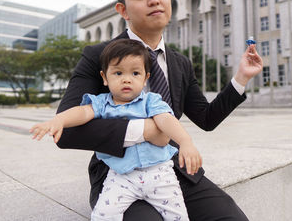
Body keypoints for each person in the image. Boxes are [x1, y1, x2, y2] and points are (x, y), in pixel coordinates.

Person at [55, 0, 263, 220]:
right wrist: (146, 130)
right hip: (117, 176)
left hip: (174, 171)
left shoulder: (180, 63)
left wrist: (241, 78)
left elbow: (206, 118)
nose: (153, 0)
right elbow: (64, 131)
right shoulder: (98, 56)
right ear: (123, 10)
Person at [30, 39, 201, 220]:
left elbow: (166, 119)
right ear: (105, 77)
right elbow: (82, 112)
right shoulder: (102, 103)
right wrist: (59, 120)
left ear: (145, 78)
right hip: (121, 176)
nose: (126, 79)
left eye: (135, 73)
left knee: (178, 216)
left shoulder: (151, 101)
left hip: (159, 174)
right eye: (118, 73)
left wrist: (185, 141)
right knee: (103, 214)